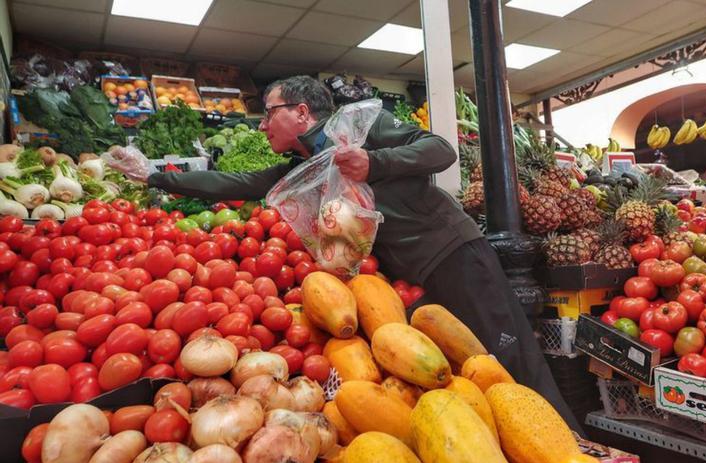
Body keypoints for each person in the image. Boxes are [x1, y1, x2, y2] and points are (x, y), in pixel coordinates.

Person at [115, 75, 581, 431]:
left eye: (268, 112)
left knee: (510, 356)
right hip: (403, 282)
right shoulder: (301, 167)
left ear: (300, 112)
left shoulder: (361, 127)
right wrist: (156, 175)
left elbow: (439, 150)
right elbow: (237, 184)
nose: (261, 124)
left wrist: (373, 162)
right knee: (461, 373)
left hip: (452, 253)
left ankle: (573, 446)